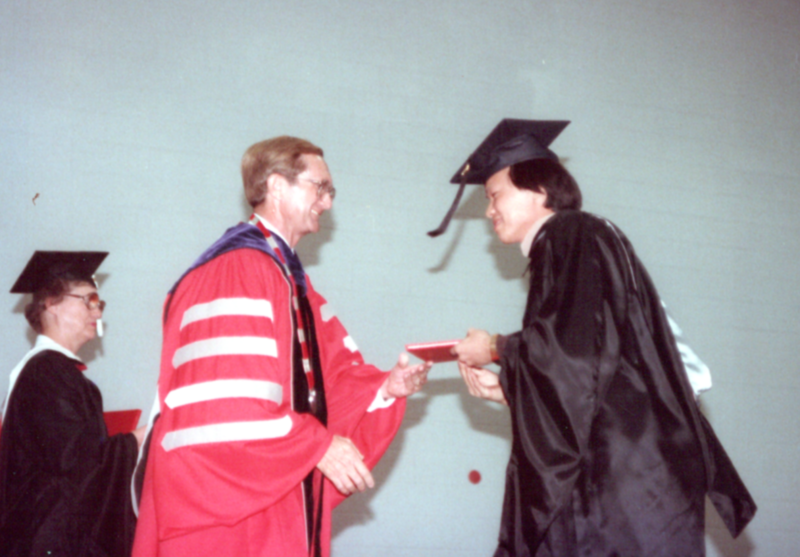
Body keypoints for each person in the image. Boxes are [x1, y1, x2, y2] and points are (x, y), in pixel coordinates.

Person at [436, 119, 756, 556]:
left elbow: (573, 351)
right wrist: (512, 389)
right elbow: (600, 369)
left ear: (538, 190)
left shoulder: (571, 235)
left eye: (495, 195)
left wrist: (494, 347)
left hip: (617, 484)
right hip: (635, 474)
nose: (489, 210)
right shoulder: (579, 238)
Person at [132, 136, 431, 557]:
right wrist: (316, 445)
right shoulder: (236, 269)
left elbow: (327, 380)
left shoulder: (288, 279)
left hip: (274, 499)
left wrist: (385, 389)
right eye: (320, 187)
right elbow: (225, 407)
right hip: (230, 516)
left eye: (331, 192)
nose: (327, 203)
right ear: (275, 186)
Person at [0, 250, 144, 557]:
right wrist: (141, 438)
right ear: (52, 303)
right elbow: (82, 467)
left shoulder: (50, 372)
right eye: (89, 301)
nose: (98, 313)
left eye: (99, 304)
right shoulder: (45, 373)